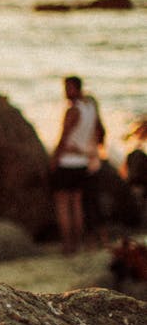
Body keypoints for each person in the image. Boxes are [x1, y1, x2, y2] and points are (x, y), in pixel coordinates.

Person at [50, 75, 106, 254]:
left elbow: (64, 137)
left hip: (67, 162)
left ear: (77, 88)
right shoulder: (90, 107)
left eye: (68, 88)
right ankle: (78, 242)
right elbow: (99, 132)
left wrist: (54, 158)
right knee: (77, 204)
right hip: (82, 162)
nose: (65, 93)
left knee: (63, 204)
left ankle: (68, 244)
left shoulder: (73, 111)